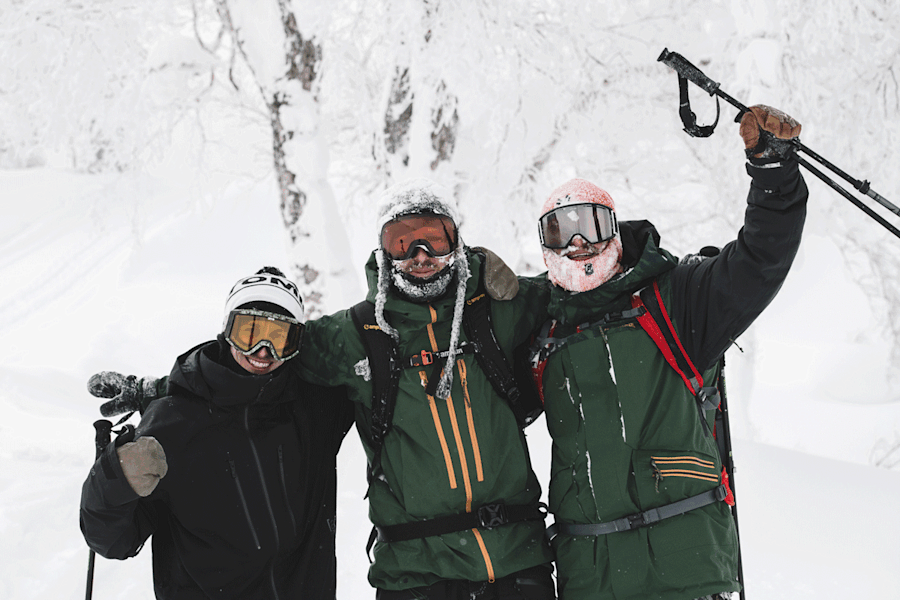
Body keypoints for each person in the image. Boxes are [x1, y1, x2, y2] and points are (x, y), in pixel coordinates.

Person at [88, 185, 556, 599]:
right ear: (383, 253)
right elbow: (241, 373)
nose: (419, 253)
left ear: (456, 244)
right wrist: (160, 392)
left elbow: (584, 284)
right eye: (402, 241)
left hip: (516, 559)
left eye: (434, 238)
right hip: (418, 574)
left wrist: (481, 268)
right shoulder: (357, 335)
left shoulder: (497, 308)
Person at [530, 105, 807, 600]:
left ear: (614, 229)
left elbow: (759, 259)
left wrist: (773, 169)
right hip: (591, 578)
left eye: (590, 224)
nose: (577, 243)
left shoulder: (676, 298)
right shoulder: (536, 325)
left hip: (689, 572)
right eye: (560, 230)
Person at [80, 267, 354, 600]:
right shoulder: (173, 423)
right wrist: (115, 477)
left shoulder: (317, 407)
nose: (263, 351)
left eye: (279, 336)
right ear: (226, 331)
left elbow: (370, 342)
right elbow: (112, 541)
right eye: (248, 332)